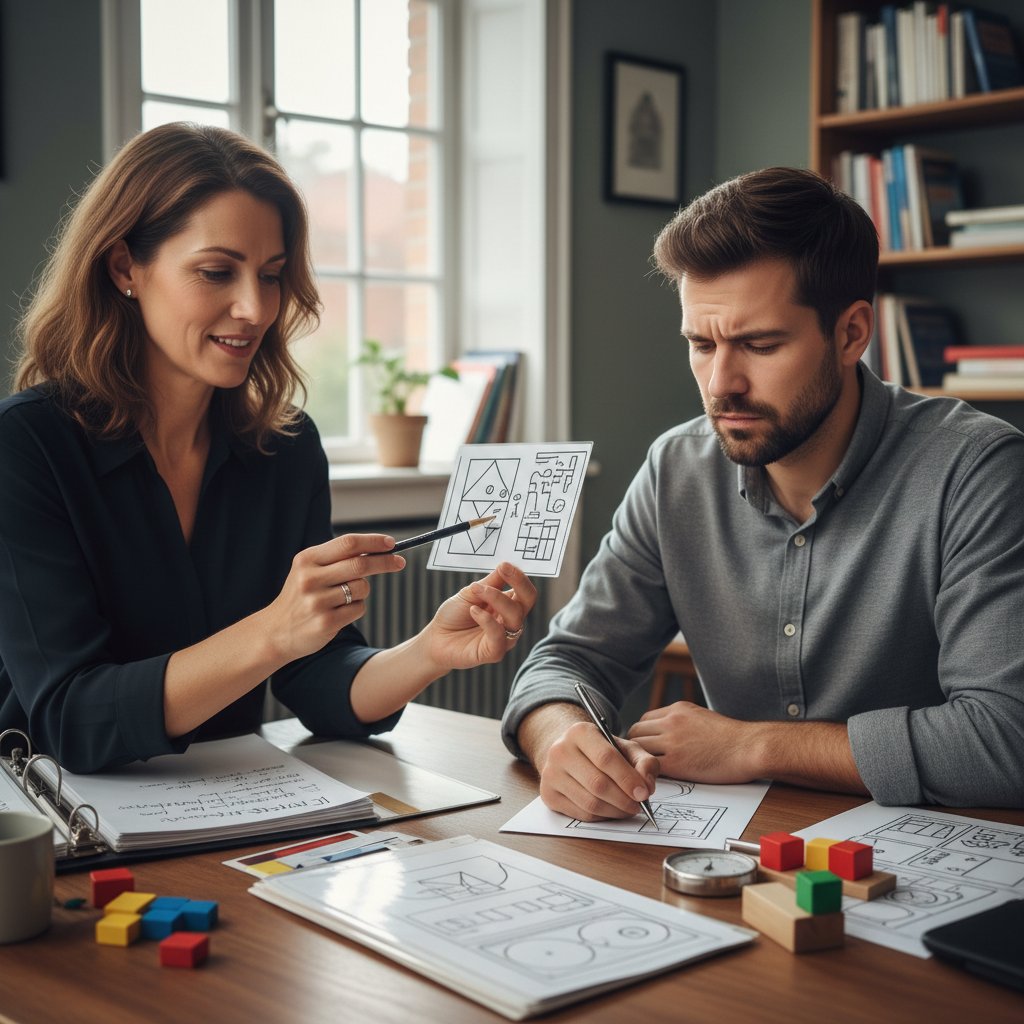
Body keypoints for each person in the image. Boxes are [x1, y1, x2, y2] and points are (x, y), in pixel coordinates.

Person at [0, 122, 535, 775]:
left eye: (273, 275)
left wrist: (428, 650)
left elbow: (317, 674)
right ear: (125, 269)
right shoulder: (26, 446)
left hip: (228, 815)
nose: (255, 308)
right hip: (58, 827)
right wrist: (273, 631)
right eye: (216, 272)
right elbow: (71, 718)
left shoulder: (286, 448)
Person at [501, 166, 1024, 816]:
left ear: (851, 334)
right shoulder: (676, 470)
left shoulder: (976, 471)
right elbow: (568, 663)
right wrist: (561, 738)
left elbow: (1007, 740)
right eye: (700, 343)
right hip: (737, 859)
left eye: (759, 344)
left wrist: (754, 747)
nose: (722, 383)